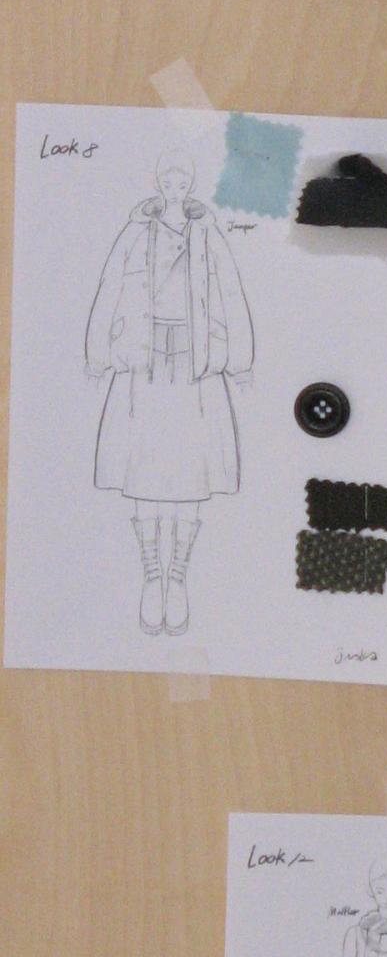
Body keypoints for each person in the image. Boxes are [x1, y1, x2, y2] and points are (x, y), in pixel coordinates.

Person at [85, 146, 253, 635]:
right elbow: (109, 287)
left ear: (191, 184)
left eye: (182, 180)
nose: (174, 187)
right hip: (144, 362)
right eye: (168, 179)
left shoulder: (208, 233)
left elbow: (231, 292)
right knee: (142, 466)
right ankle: (150, 574)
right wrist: (98, 353)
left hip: (195, 366)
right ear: (159, 183)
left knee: (192, 468)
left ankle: (177, 577)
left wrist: (240, 359)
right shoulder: (135, 231)